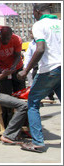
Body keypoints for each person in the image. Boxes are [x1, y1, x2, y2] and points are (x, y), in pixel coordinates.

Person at [17, 3, 61, 153]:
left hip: (49, 70)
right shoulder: (60, 23)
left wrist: (26, 70)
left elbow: (40, 48)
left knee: (33, 103)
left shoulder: (39, 25)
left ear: (36, 11)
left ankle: (38, 143)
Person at [0, 26, 26, 127]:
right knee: (5, 96)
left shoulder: (16, 39)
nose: (5, 41)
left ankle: (23, 122)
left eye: (7, 38)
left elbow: (18, 55)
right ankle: (5, 122)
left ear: (11, 36)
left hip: (16, 68)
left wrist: (13, 68)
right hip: (2, 70)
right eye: (3, 38)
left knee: (20, 94)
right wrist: (0, 70)